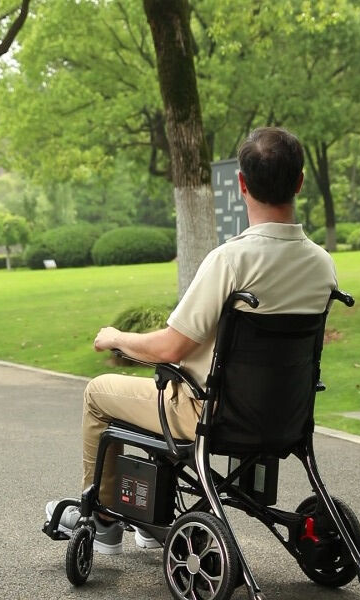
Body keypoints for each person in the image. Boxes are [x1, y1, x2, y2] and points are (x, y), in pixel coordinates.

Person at [46, 126, 338, 554]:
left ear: (241, 184)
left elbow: (170, 347)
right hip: (284, 413)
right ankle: (150, 519)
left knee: (99, 393)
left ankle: (103, 519)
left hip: (211, 413)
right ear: (299, 181)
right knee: (169, 388)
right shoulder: (322, 264)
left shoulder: (231, 261)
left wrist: (116, 338)